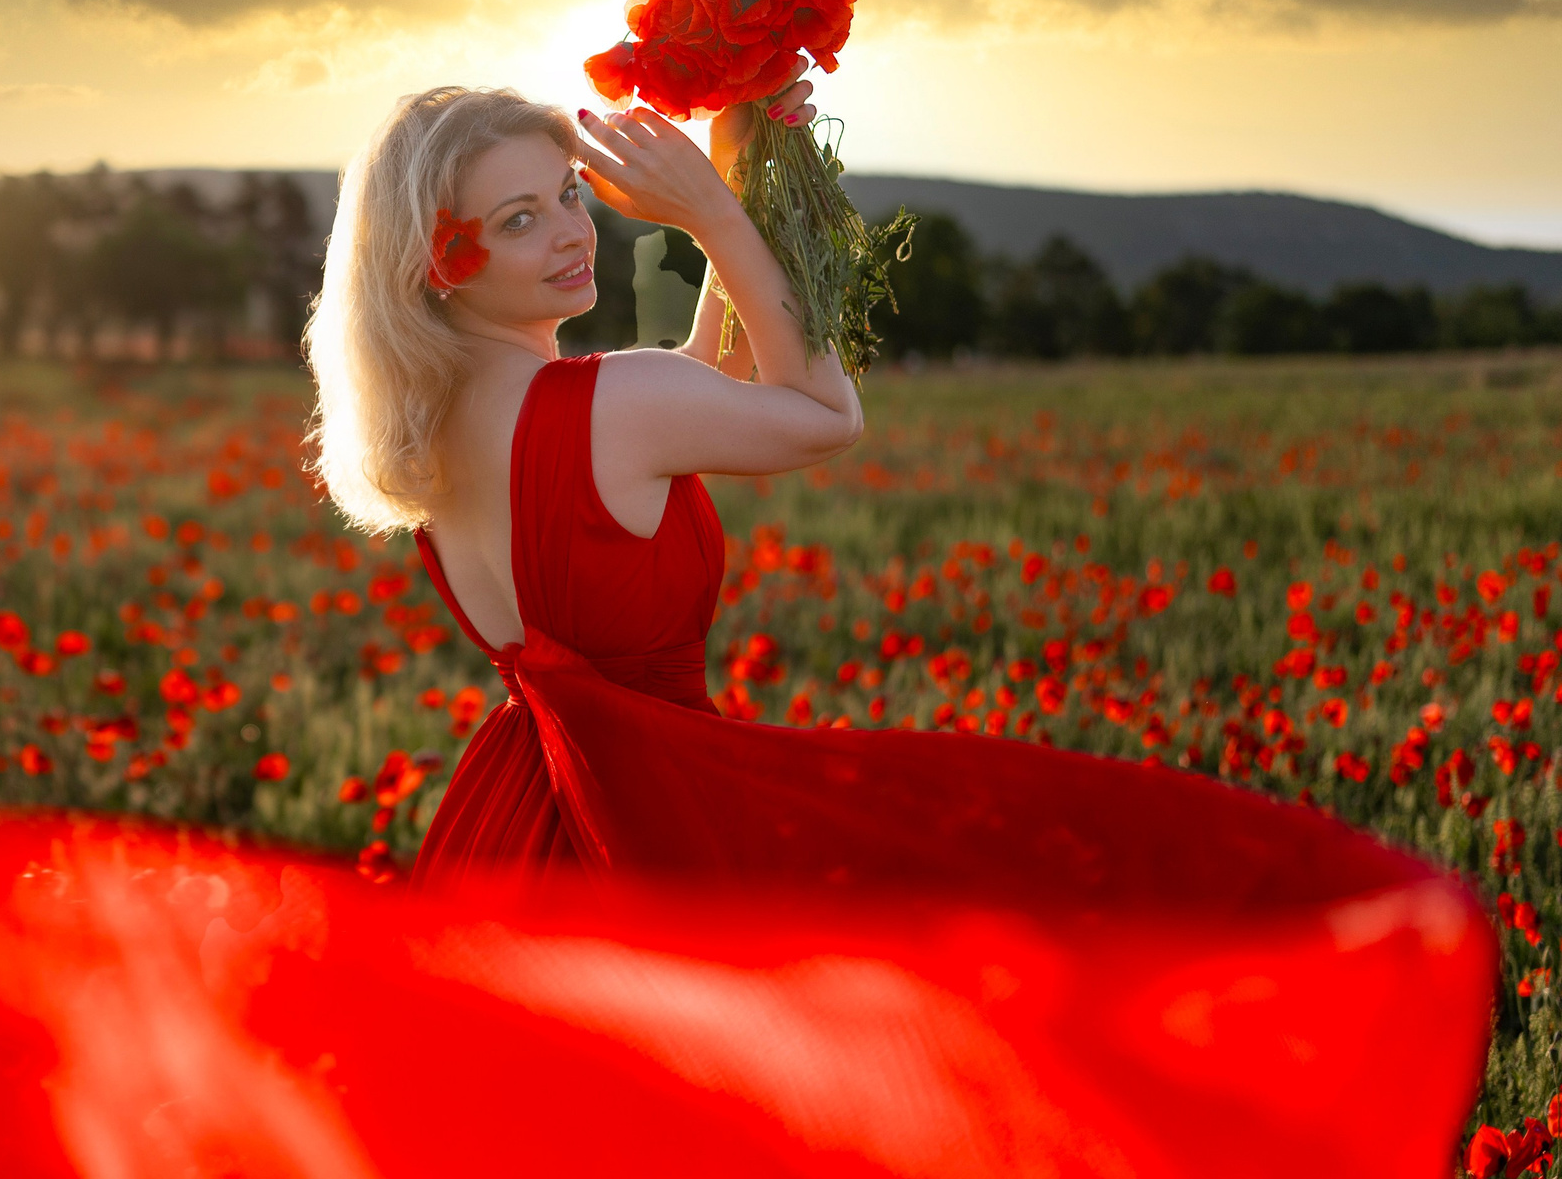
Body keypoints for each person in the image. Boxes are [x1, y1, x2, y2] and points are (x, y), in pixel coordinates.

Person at [302, 74, 1434, 904]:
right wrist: (715, 217)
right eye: (517, 220)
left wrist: (744, 176)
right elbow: (821, 413)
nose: (570, 232)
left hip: (513, 825)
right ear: (435, 266)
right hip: (653, 825)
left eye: (563, 194)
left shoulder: (431, 433)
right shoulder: (612, 400)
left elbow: (699, 387)